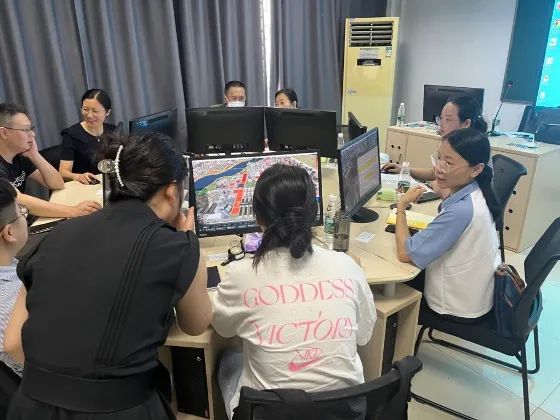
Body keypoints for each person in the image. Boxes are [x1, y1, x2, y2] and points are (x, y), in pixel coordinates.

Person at [7, 132, 213, 419]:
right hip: (121, 408)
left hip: (31, 406)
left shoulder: (56, 234)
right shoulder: (176, 247)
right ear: (172, 191)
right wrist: (189, 243)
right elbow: (196, 324)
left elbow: (13, 343)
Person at [212, 164, 376, 419]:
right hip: (344, 412)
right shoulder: (347, 266)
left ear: (257, 217)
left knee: (227, 359)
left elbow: (223, 329)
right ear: (314, 212)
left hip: (269, 414)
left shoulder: (241, 274)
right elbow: (364, 335)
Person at [395, 128, 500, 321]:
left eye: (449, 163)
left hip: (453, 305)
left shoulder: (461, 211)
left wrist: (401, 206)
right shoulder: (479, 190)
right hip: (474, 293)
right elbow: (446, 193)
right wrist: (438, 187)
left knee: (391, 282)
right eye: (439, 158)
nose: (439, 168)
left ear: (476, 169)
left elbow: (405, 253)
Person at [0, 103, 100, 218]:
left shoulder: (20, 155)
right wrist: (73, 211)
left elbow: (57, 184)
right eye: (26, 130)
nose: (32, 134)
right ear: (4, 133)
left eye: (31, 129)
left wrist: (35, 155)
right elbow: (18, 199)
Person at [382, 96, 488, 184]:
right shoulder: (452, 144)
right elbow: (434, 172)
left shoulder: (470, 150)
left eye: (448, 119)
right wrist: (404, 170)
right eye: (441, 118)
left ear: (466, 123)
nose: (441, 124)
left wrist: (435, 187)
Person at [0, 179, 28, 379]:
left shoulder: (9, 267)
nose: (23, 216)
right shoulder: (11, 299)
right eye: (21, 212)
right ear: (9, 233)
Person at [59, 89, 116, 184]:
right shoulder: (71, 135)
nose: (89, 115)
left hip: (108, 183)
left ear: (107, 112)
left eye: (95, 111)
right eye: (85, 109)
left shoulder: (112, 130)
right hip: (85, 186)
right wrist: (77, 176)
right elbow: (63, 172)